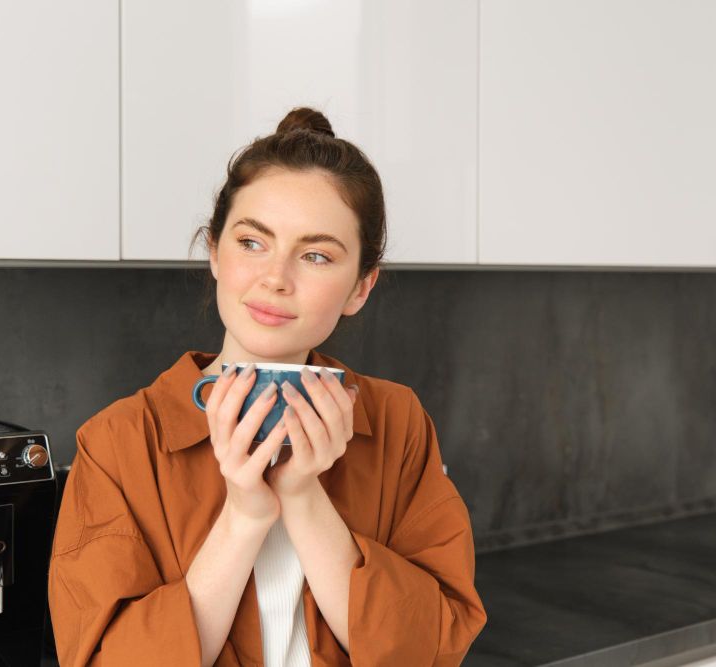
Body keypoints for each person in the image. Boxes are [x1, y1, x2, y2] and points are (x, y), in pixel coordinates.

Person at [48, 107, 487, 666]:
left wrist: (304, 499)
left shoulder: (397, 423)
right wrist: (245, 516)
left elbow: (434, 650)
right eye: (252, 242)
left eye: (315, 255)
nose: (275, 278)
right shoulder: (118, 442)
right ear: (215, 251)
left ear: (361, 287)